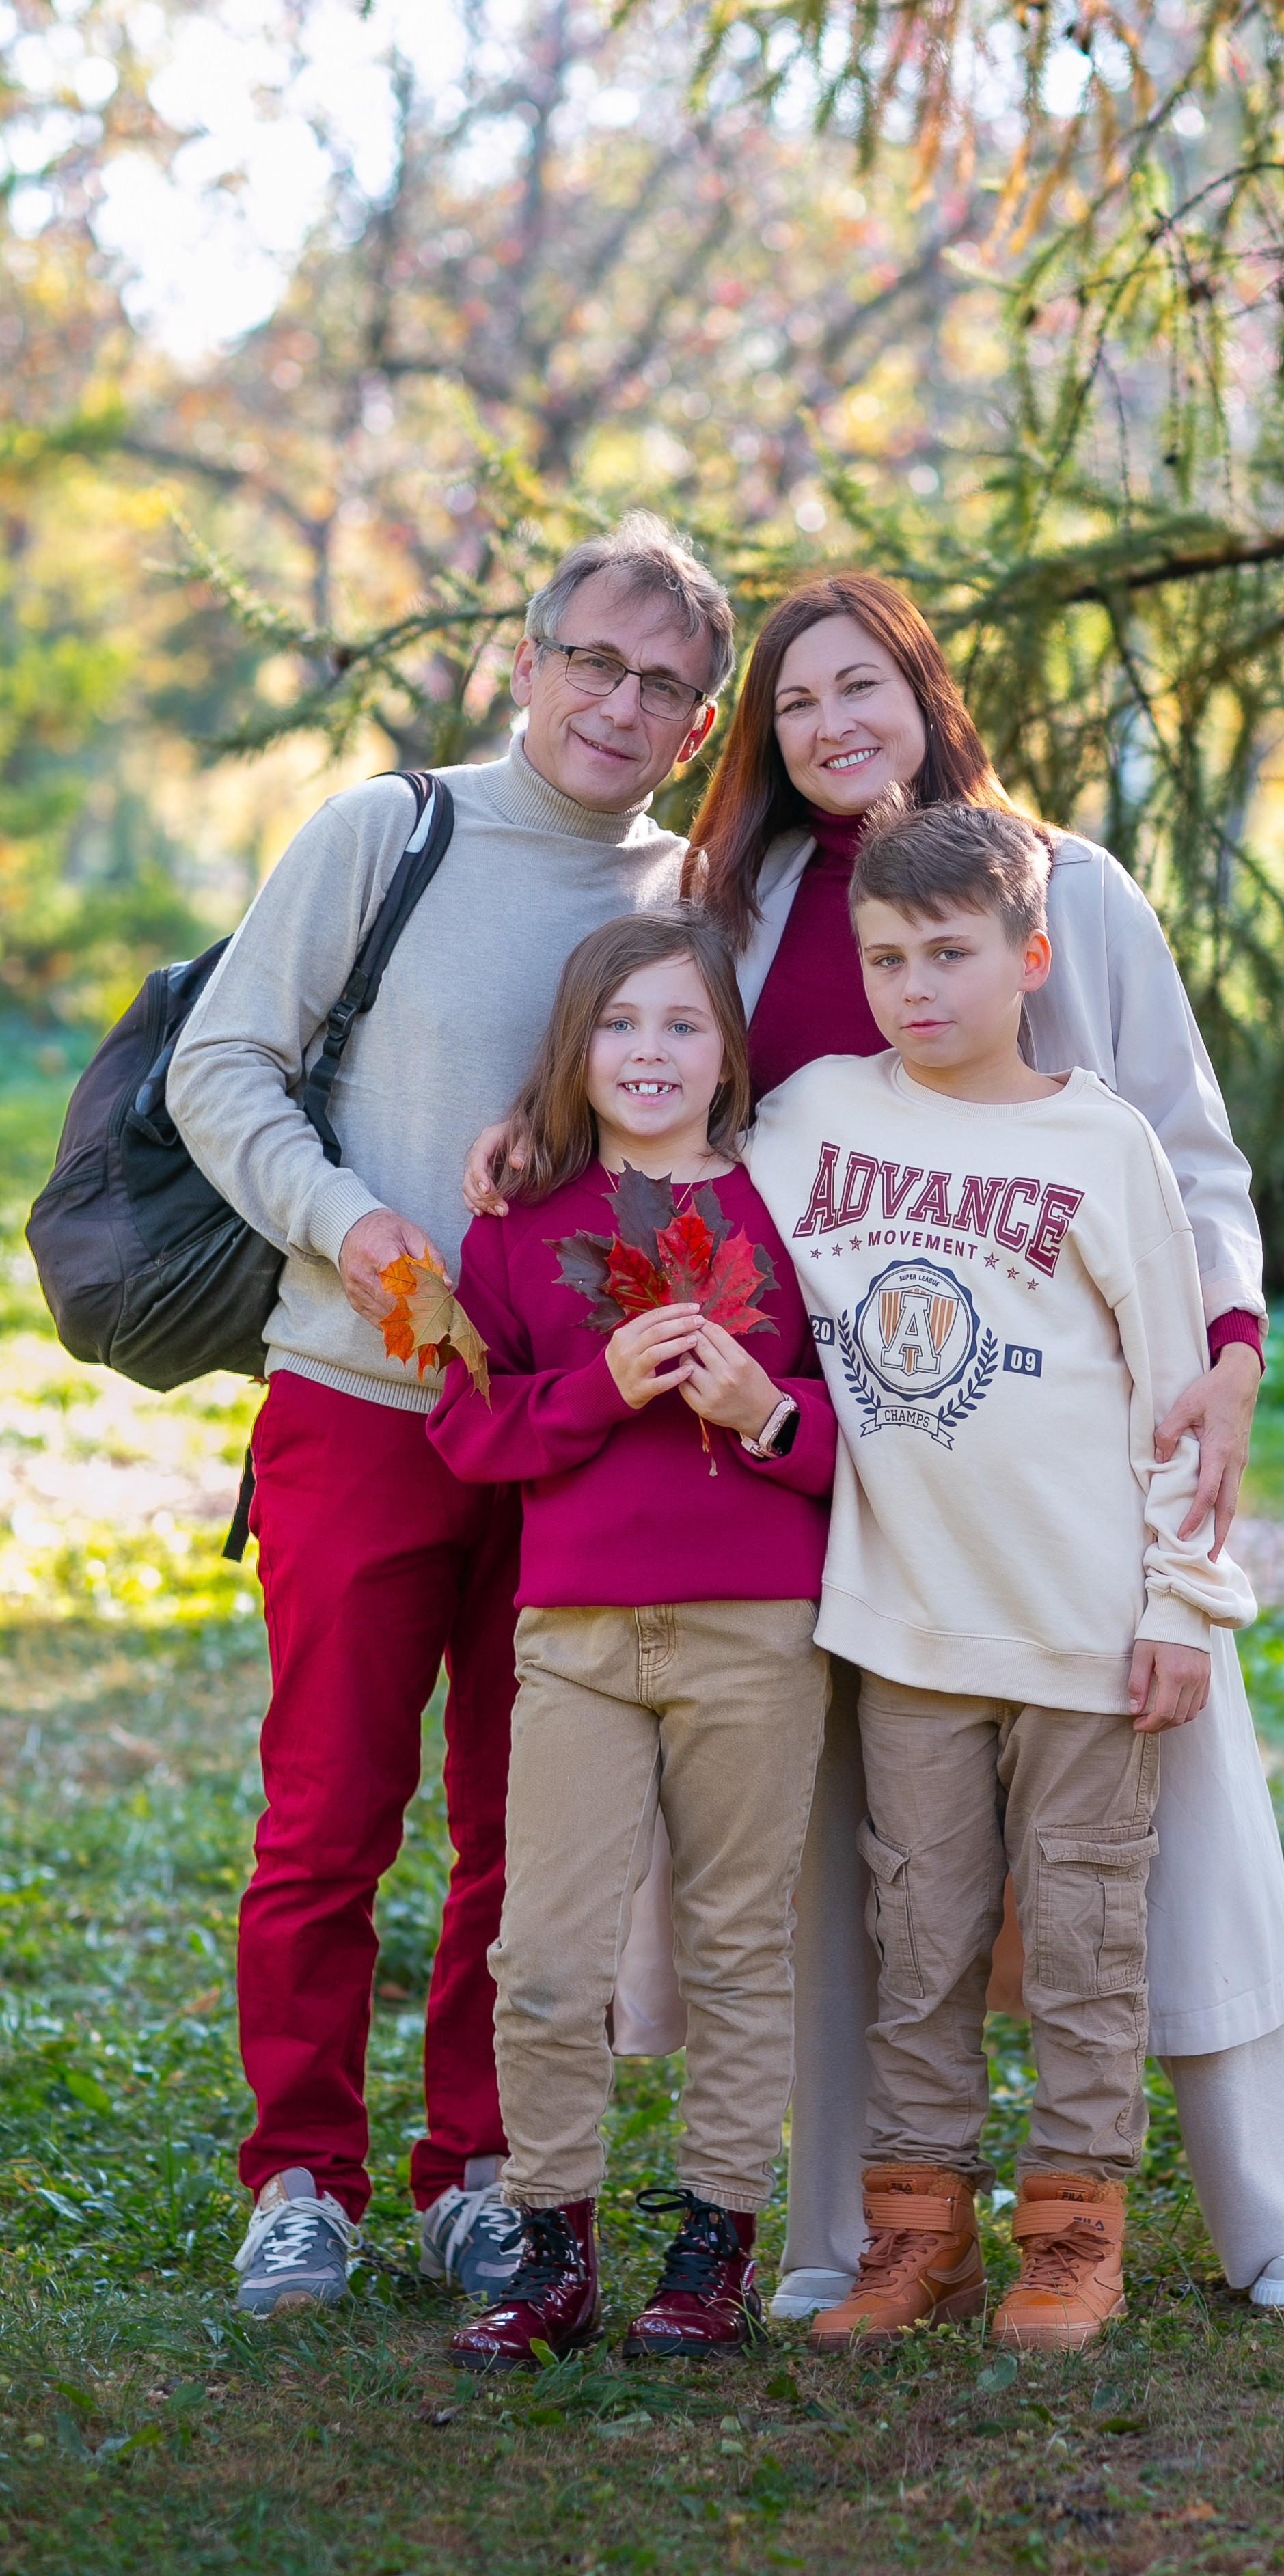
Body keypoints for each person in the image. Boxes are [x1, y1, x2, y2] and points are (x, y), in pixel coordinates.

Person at [465, 570, 1284, 2314]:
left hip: (1070, 1454)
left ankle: (1273, 2219)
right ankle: (852, 2232)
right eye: (796, 703)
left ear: (922, 689)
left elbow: (1179, 1150)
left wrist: (1230, 1354)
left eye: (859, 685)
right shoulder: (747, 897)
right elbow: (687, 1100)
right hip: (833, 1466)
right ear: (763, 739)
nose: (833, 725)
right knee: (858, 1878)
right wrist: (534, 1133)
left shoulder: (1063, 884)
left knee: (1162, 1865)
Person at [167, 515, 733, 2315]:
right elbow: (220, 1068)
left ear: (699, 727)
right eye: (596, 660)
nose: (619, 703)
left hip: (577, 1441)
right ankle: (299, 2177)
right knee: (331, 1810)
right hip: (360, 1401)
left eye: (664, 685)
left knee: (528, 1825)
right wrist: (357, 1226)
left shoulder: (683, 909)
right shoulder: (384, 833)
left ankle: (478, 2171)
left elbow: (691, 1165)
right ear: (529, 655)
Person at [746, 800, 1257, 2348]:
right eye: (888, 955)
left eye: (951, 954)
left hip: (1087, 1633)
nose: (916, 985)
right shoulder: (818, 1115)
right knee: (921, 1942)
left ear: (1031, 956)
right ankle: (918, 2236)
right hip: (908, 1632)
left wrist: (1181, 1603)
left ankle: (1075, 2233)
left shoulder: (1099, 1140)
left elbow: (1177, 1396)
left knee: (1092, 1944)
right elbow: (680, 1189)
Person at [427, 913, 836, 2366]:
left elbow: (878, 1425)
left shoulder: (795, 1209)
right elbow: (470, 1424)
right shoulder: (520, 1223)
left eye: (680, 1024)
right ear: (575, 1049)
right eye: (619, 1026)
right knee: (542, 1952)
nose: (649, 1053)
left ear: (728, 1047)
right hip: (579, 1633)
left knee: (737, 1943)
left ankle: (712, 2250)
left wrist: (765, 1414)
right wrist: (596, 1385)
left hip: (756, 1625)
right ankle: (551, 2252)